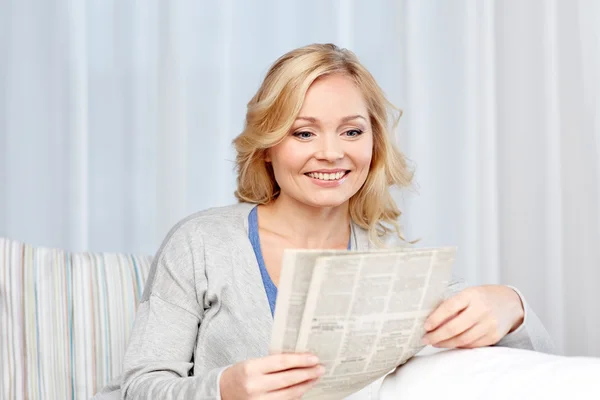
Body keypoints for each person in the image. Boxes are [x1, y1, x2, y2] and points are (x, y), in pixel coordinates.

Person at [93, 43, 554, 400]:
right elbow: (140, 386)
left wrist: (510, 306)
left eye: (352, 131)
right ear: (268, 145)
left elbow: (537, 372)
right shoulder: (202, 243)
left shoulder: (392, 263)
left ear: (374, 142)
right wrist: (223, 389)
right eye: (303, 132)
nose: (332, 152)